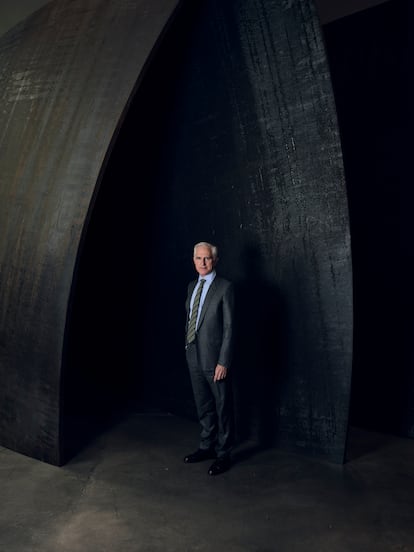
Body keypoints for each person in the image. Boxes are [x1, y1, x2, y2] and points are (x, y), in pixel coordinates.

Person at [183, 241, 235, 475]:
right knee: (203, 405)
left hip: (215, 361)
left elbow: (230, 328)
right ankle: (207, 446)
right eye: (198, 258)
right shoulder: (191, 286)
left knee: (223, 406)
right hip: (194, 355)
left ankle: (224, 454)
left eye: (207, 258)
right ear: (193, 260)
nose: (202, 263)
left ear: (214, 260)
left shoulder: (225, 288)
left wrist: (223, 361)